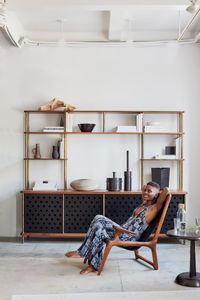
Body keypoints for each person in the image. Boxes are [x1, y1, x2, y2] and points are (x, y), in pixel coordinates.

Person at [65, 182, 169, 275]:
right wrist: (148, 190)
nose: (145, 192)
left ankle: (83, 252)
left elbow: (166, 191)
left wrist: (158, 192)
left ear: (156, 195)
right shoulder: (143, 204)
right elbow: (145, 190)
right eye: (145, 190)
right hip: (122, 231)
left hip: (129, 236)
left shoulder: (154, 208)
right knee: (98, 227)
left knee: (99, 218)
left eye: (149, 191)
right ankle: (93, 265)